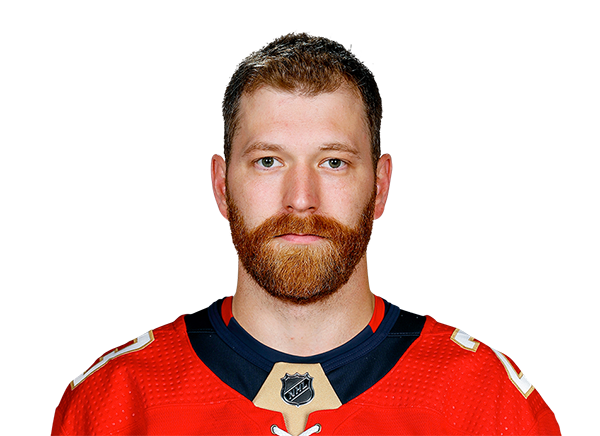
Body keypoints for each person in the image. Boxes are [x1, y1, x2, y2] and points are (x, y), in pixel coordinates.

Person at [52, 34, 561, 436]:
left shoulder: (479, 399)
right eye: (268, 161)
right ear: (221, 184)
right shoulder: (116, 402)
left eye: (333, 162)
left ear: (380, 186)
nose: (300, 199)